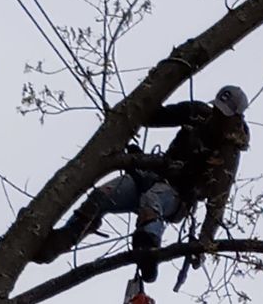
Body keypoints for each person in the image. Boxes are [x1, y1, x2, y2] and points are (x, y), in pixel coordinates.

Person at [33, 85, 250, 282]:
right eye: (217, 108)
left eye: (224, 113)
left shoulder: (228, 152)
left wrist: (204, 244)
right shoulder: (198, 113)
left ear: (236, 117)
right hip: (152, 175)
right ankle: (59, 242)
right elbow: (155, 116)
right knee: (102, 195)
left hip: (179, 196)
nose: (217, 115)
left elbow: (217, 202)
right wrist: (134, 110)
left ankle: (148, 251)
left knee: (151, 200)